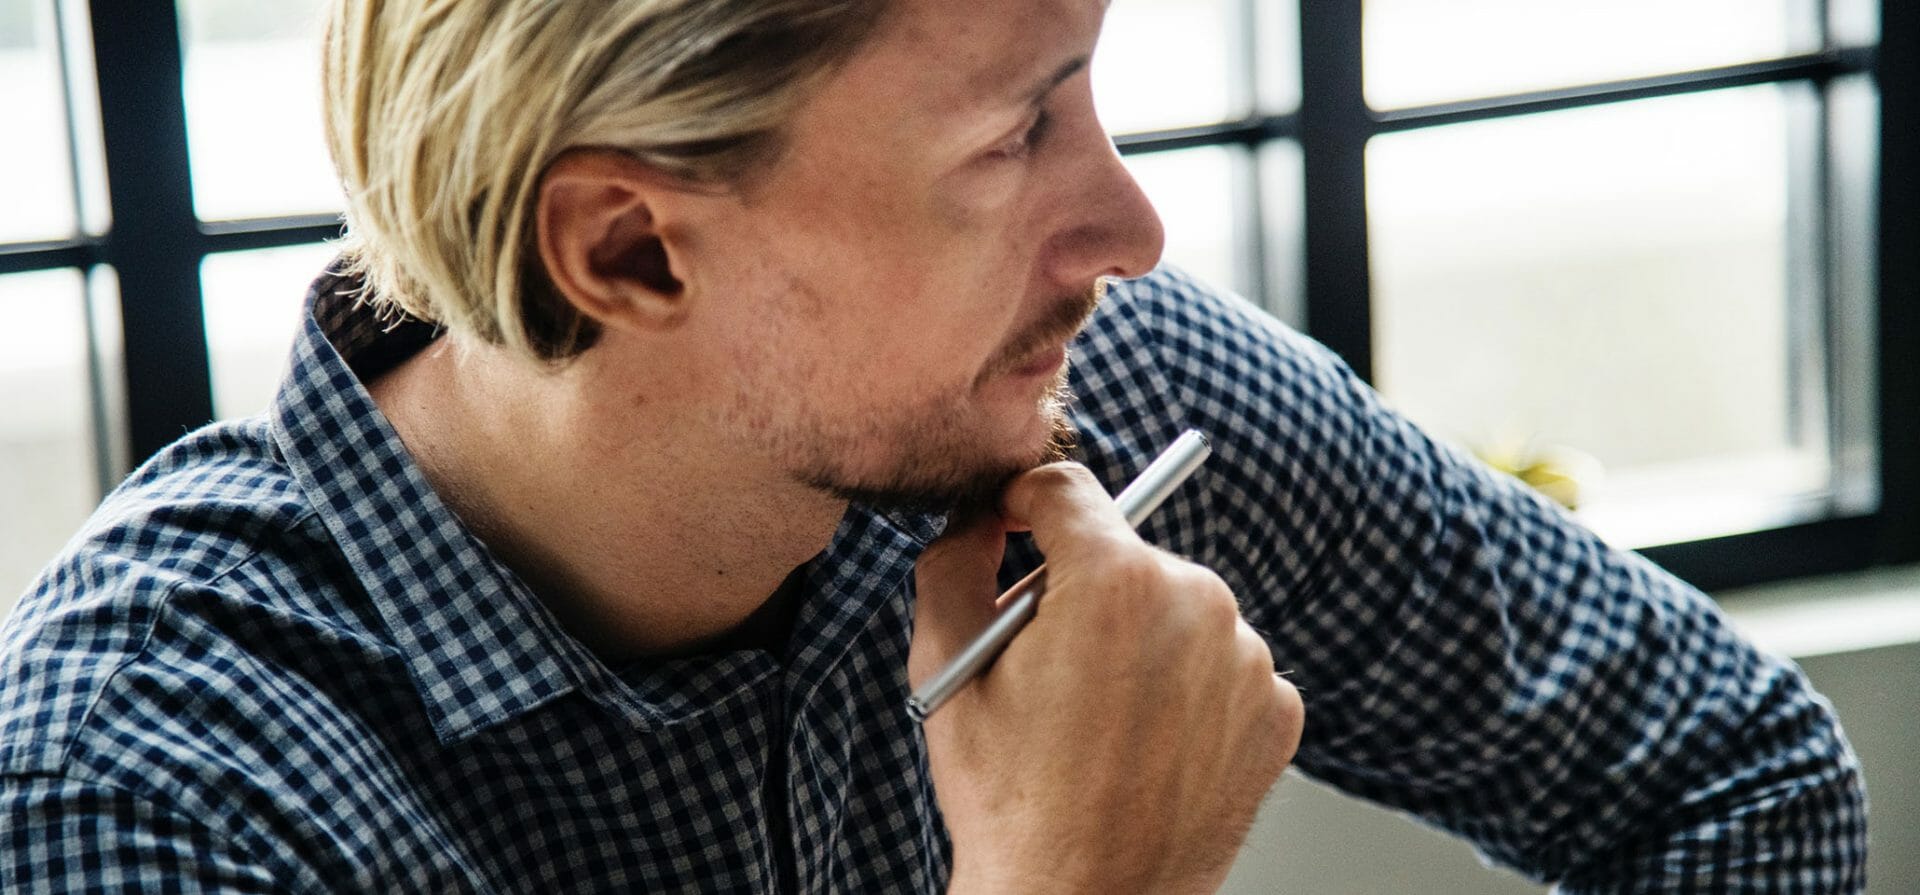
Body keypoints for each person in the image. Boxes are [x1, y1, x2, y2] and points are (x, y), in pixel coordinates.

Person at [0, 0, 1865, 890]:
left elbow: (1741, 777)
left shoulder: (1094, 399)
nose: (1130, 226)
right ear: (630, 247)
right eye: (1013, 139)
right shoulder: (149, 800)